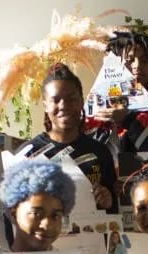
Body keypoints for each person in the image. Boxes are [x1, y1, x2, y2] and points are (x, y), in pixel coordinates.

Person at [22, 63, 117, 214]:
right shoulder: (29, 154)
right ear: (45, 105)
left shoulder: (100, 152)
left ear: (81, 101)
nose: (63, 105)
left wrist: (108, 201)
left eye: (71, 99)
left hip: (90, 228)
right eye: (55, 100)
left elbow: (114, 210)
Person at [90, 31, 148, 152]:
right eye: (130, 60)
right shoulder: (94, 111)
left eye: (144, 60)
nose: (137, 65)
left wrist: (128, 119)